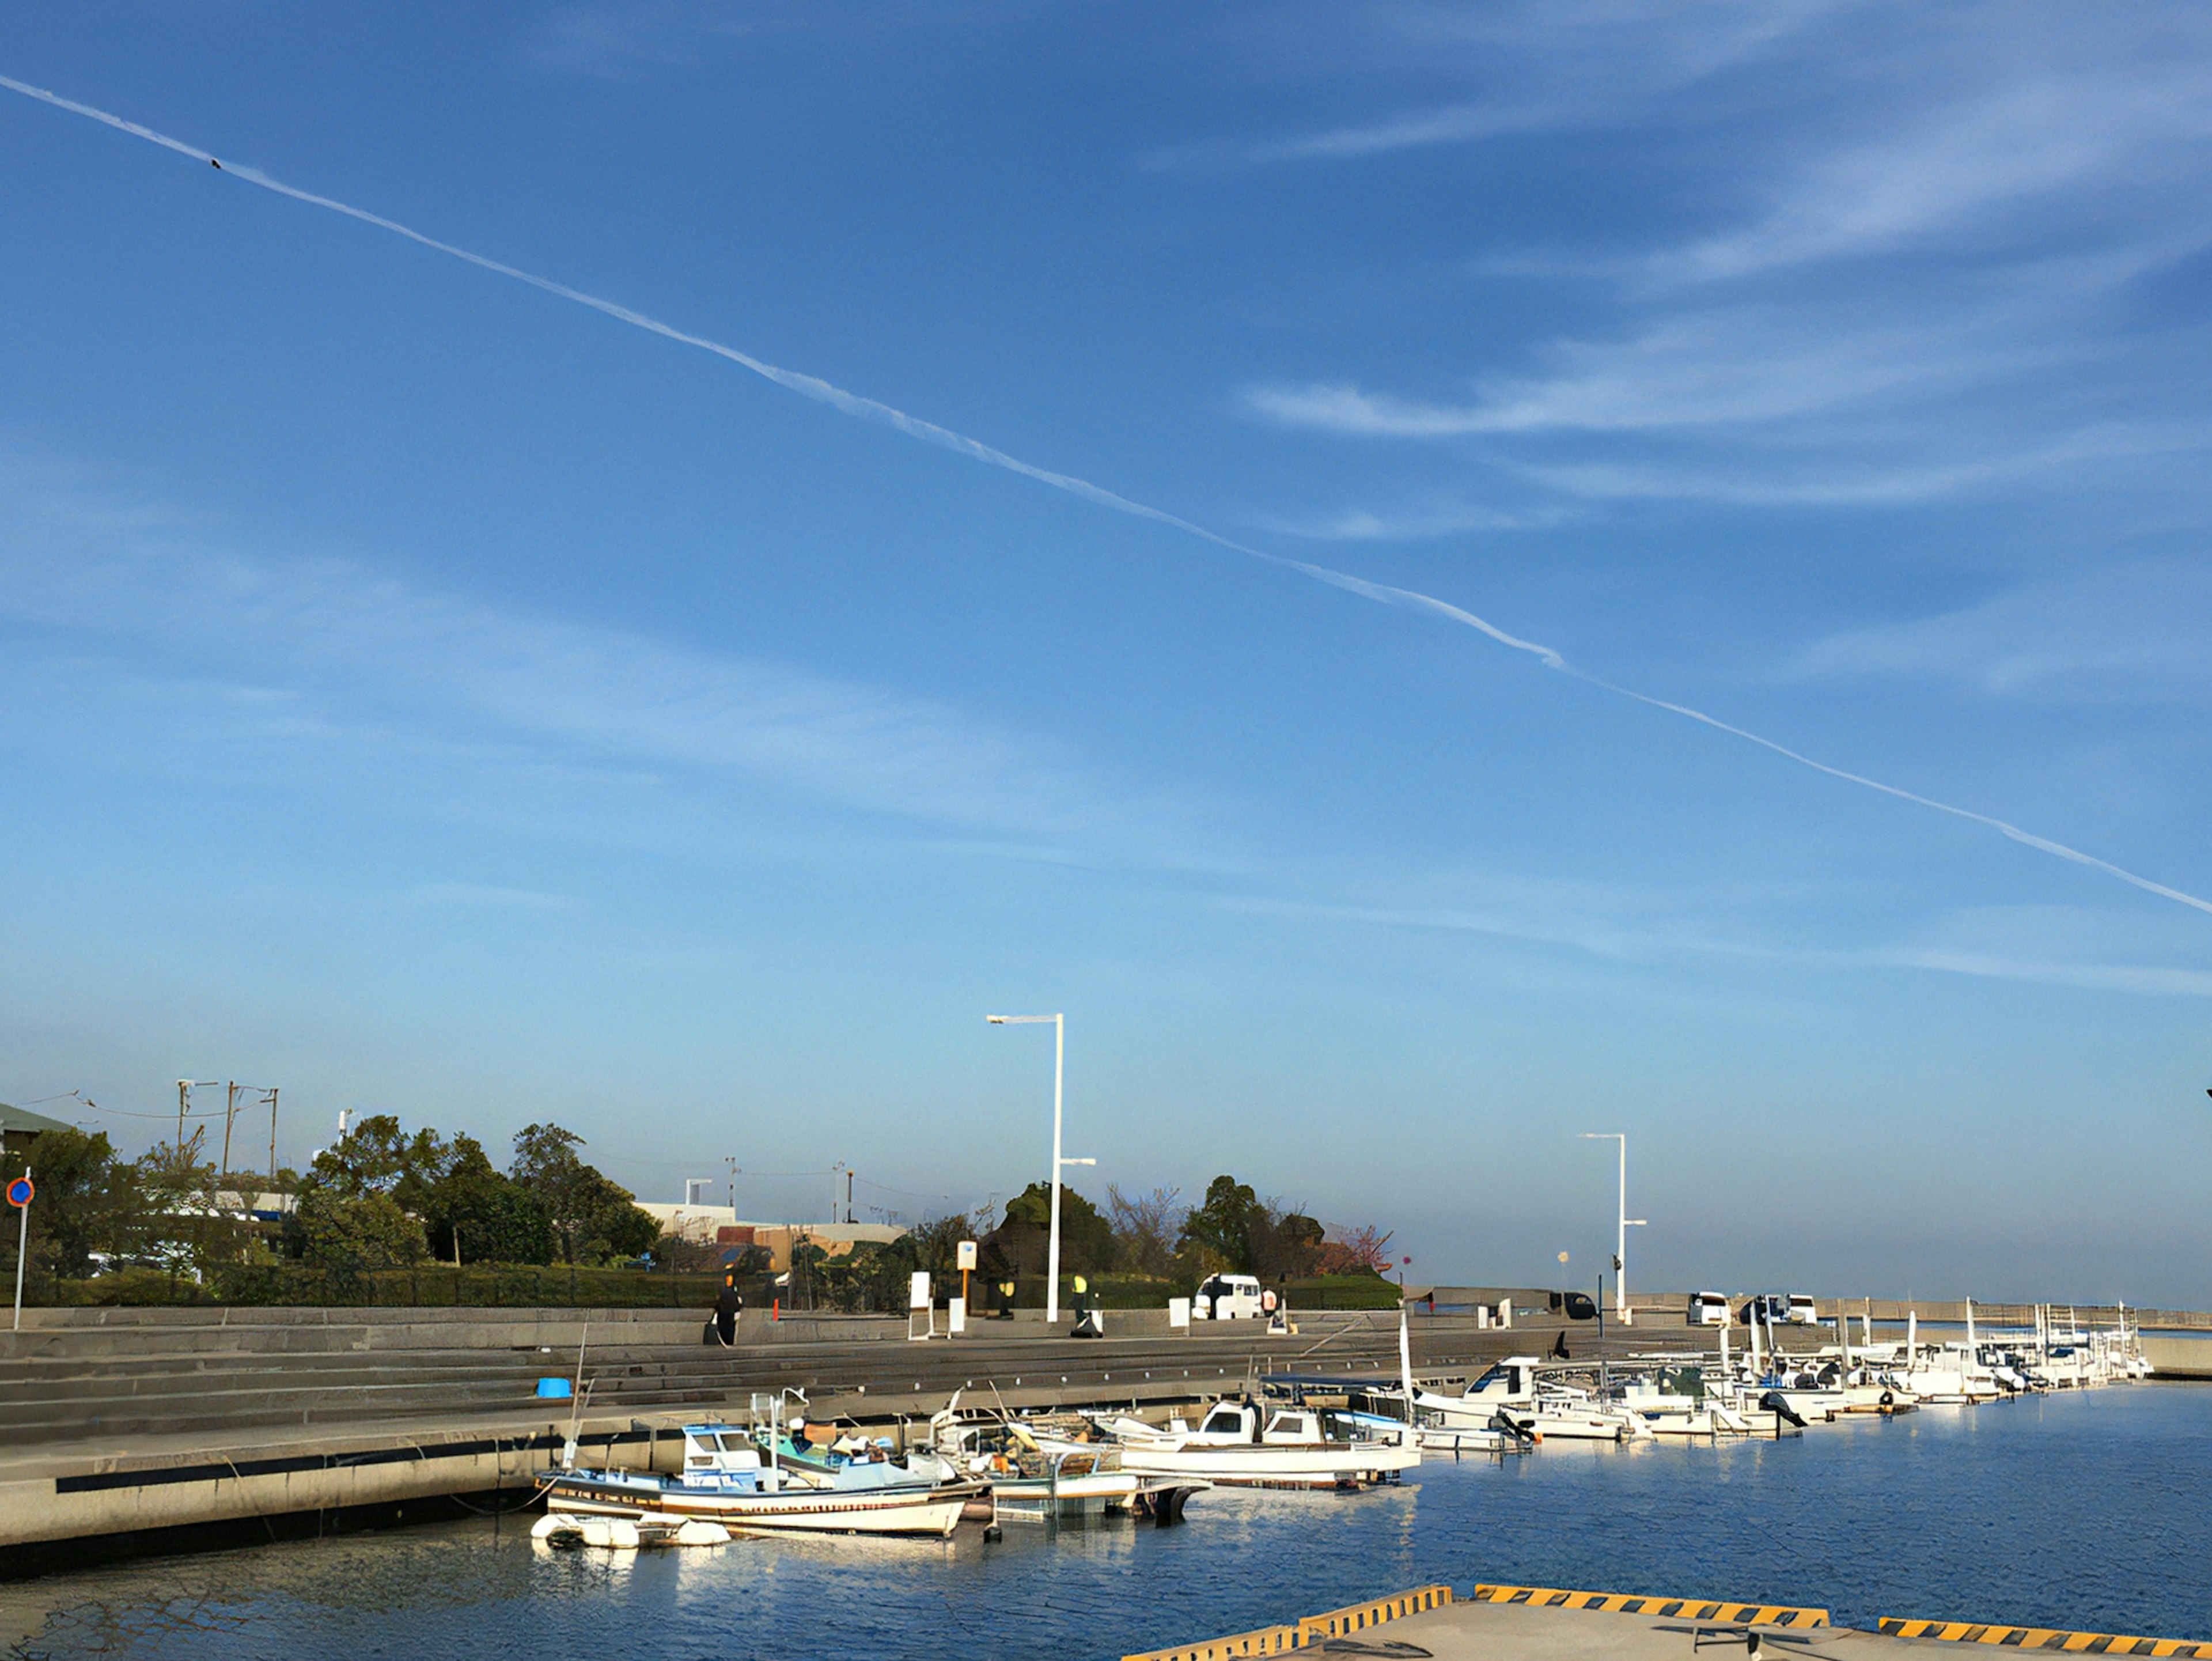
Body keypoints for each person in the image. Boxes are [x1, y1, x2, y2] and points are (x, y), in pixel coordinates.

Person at [711, 1271, 743, 1347]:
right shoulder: (728, 1291)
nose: (729, 1282)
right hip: (726, 1313)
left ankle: (727, 1341)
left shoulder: (731, 1291)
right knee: (727, 1328)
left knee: (728, 1328)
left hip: (728, 1313)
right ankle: (727, 1341)